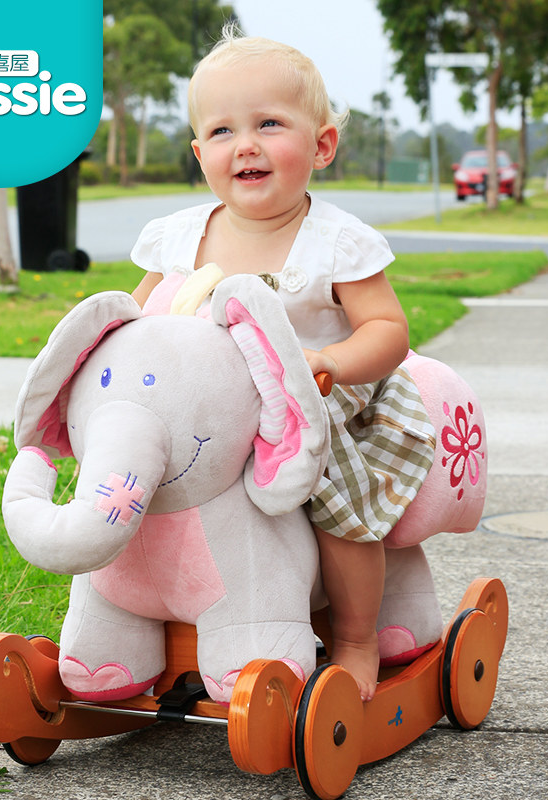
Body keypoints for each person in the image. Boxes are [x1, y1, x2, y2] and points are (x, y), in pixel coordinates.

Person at [130, 27, 434, 701]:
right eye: (221, 130)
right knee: (131, 463)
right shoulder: (177, 238)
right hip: (202, 402)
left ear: (322, 145)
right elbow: (137, 320)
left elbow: (387, 330)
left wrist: (331, 360)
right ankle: (133, 619)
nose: (245, 145)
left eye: (269, 124)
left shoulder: (336, 242)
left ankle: (355, 637)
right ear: (200, 153)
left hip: (311, 396)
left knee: (333, 493)